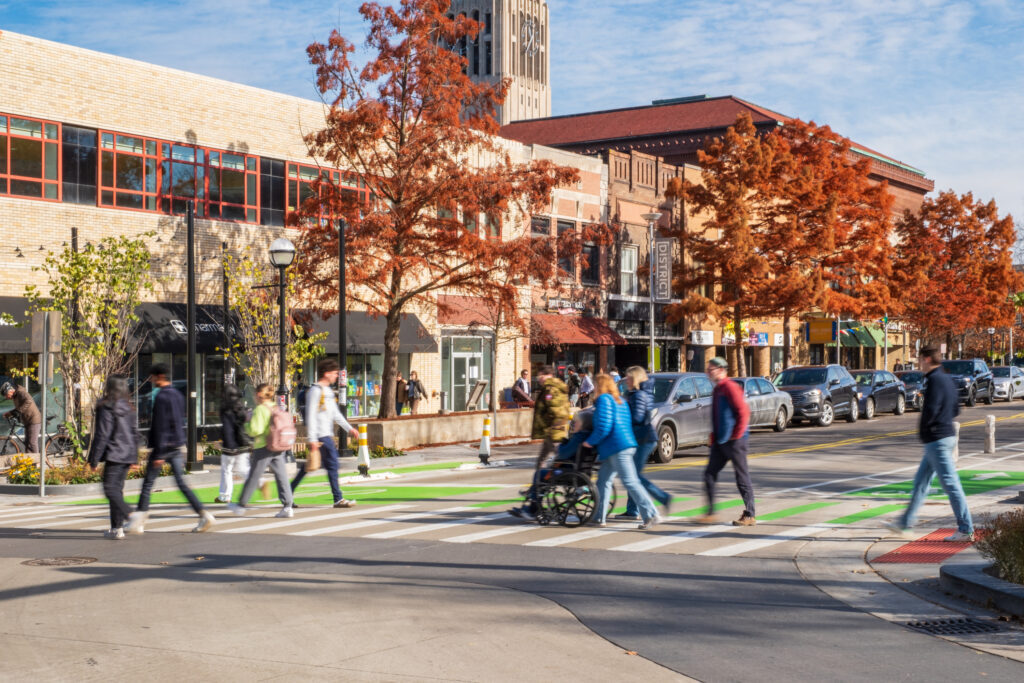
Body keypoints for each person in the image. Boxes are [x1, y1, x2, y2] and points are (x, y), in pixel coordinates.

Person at [885, 347, 975, 542]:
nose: (918, 363)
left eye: (919, 359)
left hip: (937, 439)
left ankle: (966, 528)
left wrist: (927, 429)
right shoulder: (946, 379)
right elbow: (956, 409)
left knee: (951, 484)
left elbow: (931, 410)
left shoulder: (934, 380)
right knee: (921, 483)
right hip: (944, 436)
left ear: (926, 359)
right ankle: (905, 524)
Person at [128, 364, 215, 534]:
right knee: (182, 484)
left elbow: (161, 425)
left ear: (159, 376)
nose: (151, 380)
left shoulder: (161, 397)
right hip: (176, 444)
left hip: (163, 446)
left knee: (147, 484)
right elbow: (178, 421)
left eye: (153, 377)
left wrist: (159, 452)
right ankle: (204, 514)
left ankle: (138, 521)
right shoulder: (177, 395)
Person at [587, 373, 660, 529]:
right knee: (603, 481)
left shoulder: (604, 400)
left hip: (616, 447)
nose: (594, 388)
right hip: (621, 445)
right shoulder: (620, 400)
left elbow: (603, 426)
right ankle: (599, 517)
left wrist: (589, 442)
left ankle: (651, 514)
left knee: (630, 482)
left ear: (600, 386)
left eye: (595, 384)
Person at [290, 358, 359, 509]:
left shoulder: (328, 391)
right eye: (334, 373)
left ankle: (287, 494)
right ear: (326, 373)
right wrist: (313, 439)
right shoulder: (315, 391)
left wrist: (350, 428)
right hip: (321, 436)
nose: (336, 376)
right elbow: (312, 416)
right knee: (332, 465)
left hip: (325, 435)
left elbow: (336, 414)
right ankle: (338, 498)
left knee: (309, 467)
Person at [700, 357, 755, 526]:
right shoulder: (718, 389)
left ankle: (750, 514)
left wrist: (736, 435)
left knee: (741, 477)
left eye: (712, 370)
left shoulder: (730, 387)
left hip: (735, 440)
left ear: (722, 370)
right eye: (708, 370)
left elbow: (743, 412)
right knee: (709, 474)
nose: (708, 373)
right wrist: (714, 435)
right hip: (721, 441)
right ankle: (709, 513)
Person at [510, 411, 592, 520]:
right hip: (580, 471)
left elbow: (563, 453)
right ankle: (533, 494)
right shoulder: (588, 436)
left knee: (539, 474)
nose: (574, 424)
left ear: (582, 424)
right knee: (545, 474)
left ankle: (533, 508)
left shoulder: (578, 437)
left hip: (568, 471)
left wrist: (561, 446)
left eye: (577, 422)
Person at [228, 383, 295, 517]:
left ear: (258, 394)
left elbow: (255, 430)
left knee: (253, 476)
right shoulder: (275, 407)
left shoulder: (260, 409)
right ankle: (288, 506)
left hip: (264, 446)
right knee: (281, 476)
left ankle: (241, 505)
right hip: (278, 445)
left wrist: (246, 424)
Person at [616, 366, 671, 520]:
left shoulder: (639, 395)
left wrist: (621, 417)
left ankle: (663, 497)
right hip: (640, 437)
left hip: (644, 438)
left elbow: (638, 418)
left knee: (634, 477)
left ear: (635, 379)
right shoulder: (636, 393)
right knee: (633, 475)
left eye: (628, 378)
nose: (626, 380)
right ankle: (632, 510)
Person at [87, 376, 139, 540]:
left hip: (114, 454)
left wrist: (93, 459)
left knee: (110, 490)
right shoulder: (129, 407)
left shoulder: (106, 406)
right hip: (126, 454)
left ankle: (130, 515)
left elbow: (102, 434)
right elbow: (134, 434)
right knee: (117, 491)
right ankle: (117, 528)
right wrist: (134, 458)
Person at [216, 384, 252, 503]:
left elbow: (227, 430)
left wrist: (228, 446)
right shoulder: (241, 408)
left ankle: (225, 495)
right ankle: (258, 482)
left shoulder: (226, 410)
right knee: (243, 469)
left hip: (230, 446)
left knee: (227, 470)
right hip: (243, 443)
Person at [531, 365, 571, 470]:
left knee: (561, 458)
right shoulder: (556, 387)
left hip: (553, 431)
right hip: (553, 430)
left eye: (541, 376)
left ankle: (574, 480)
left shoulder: (550, 390)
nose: (539, 378)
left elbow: (554, 409)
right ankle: (540, 484)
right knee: (542, 460)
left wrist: (549, 423)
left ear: (549, 375)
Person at [2, 381, 41, 453]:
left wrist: (17, 412)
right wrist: (10, 413)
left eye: (6, 395)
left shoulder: (21, 392)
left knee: (32, 442)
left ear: (10, 391)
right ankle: (30, 461)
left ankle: (37, 461)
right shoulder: (15, 396)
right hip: (27, 420)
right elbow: (19, 408)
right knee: (27, 442)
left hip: (34, 419)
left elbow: (28, 401)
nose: (7, 397)